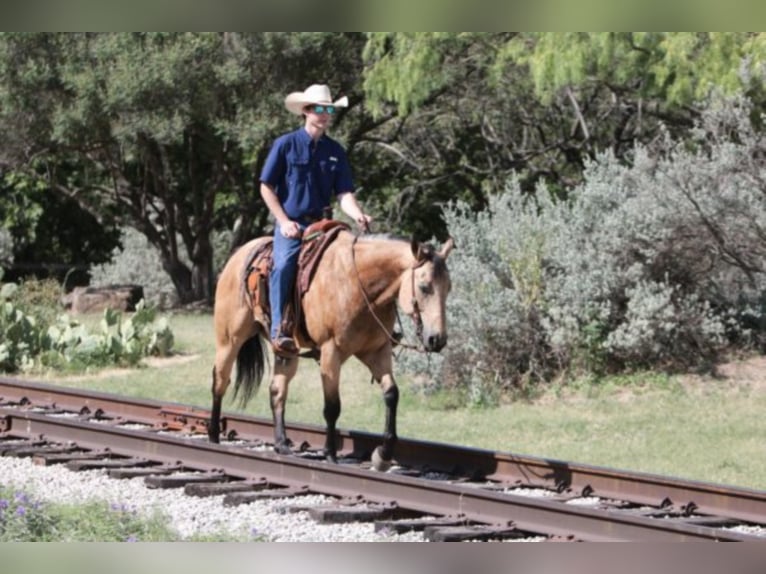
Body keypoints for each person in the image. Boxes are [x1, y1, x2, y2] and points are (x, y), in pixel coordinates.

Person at [259, 84, 373, 356]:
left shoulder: (336, 151)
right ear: (306, 111)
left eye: (328, 110)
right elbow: (266, 187)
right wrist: (284, 221)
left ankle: (347, 326)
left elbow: (344, 193)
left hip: (323, 224)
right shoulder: (285, 144)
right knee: (285, 264)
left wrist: (357, 213)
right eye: (319, 109)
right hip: (293, 224)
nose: (324, 114)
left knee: (353, 263)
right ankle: (279, 328)